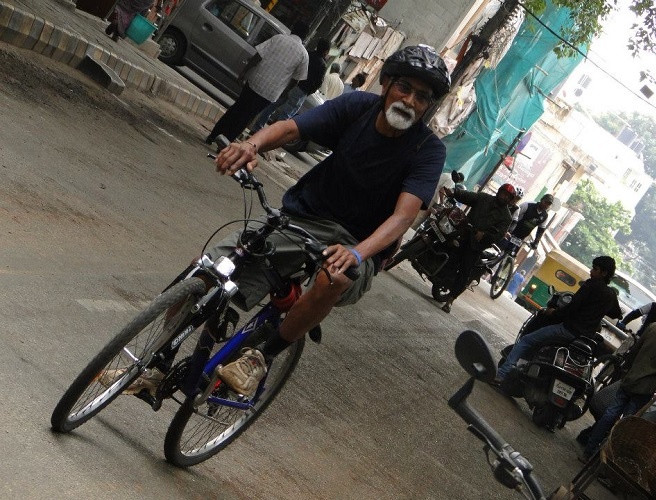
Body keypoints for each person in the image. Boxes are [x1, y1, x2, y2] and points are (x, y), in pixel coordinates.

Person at [210, 45, 451, 396]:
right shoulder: (357, 108)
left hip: (360, 244)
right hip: (306, 218)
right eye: (405, 88)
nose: (411, 101)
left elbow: (403, 217)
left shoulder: (428, 150)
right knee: (208, 270)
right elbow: (291, 128)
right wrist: (252, 145)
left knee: (334, 276)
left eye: (423, 96)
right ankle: (156, 361)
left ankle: (262, 356)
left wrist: (357, 254)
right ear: (386, 84)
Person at [496, 256, 623, 382]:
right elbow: (616, 314)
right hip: (585, 339)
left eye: (595, 269)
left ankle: (501, 374)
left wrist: (553, 312)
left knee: (526, 341)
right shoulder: (610, 294)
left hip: (568, 331)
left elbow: (572, 308)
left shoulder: (590, 285)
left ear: (604, 273)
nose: (591, 271)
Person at [204, 21, 310, 145]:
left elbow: (258, 56)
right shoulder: (304, 55)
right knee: (247, 117)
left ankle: (213, 135)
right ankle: (226, 142)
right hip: (270, 93)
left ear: (292, 29)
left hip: (255, 81)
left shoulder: (278, 38)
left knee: (237, 108)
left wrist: (244, 71)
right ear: (305, 37)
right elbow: (296, 80)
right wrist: (284, 92)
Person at [579, 323, 656, 462]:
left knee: (610, 413)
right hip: (645, 388)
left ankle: (589, 452)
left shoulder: (653, 327)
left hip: (630, 379)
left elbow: (634, 351)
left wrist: (626, 369)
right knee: (625, 425)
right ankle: (605, 459)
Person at [438, 183, 515, 313]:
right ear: (499, 192)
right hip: (463, 231)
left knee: (464, 270)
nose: (504, 197)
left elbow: (499, 234)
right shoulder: (484, 198)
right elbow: (468, 196)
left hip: (476, 244)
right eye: (503, 193)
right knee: (444, 241)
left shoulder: (506, 217)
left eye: (507, 196)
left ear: (510, 199)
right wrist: (454, 192)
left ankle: (450, 300)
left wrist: (484, 235)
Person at [250, 39, 330, 133]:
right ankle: (270, 134)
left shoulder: (307, 54)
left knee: (272, 106)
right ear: (326, 51)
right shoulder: (322, 65)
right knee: (285, 115)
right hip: (301, 91)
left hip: (290, 84)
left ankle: (257, 128)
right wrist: (308, 92)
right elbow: (318, 83)